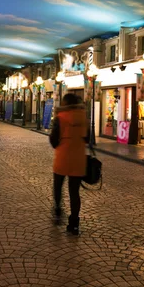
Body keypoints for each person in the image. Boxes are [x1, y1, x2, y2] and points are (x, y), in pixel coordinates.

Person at [49, 93, 89, 235]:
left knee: (58, 187)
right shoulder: (83, 117)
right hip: (78, 159)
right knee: (74, 192)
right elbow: (88, 138)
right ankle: (74, 224)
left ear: (65, 103)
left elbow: (53, 140)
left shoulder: (60, 117)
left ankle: (58, 211)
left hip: (62, 157)